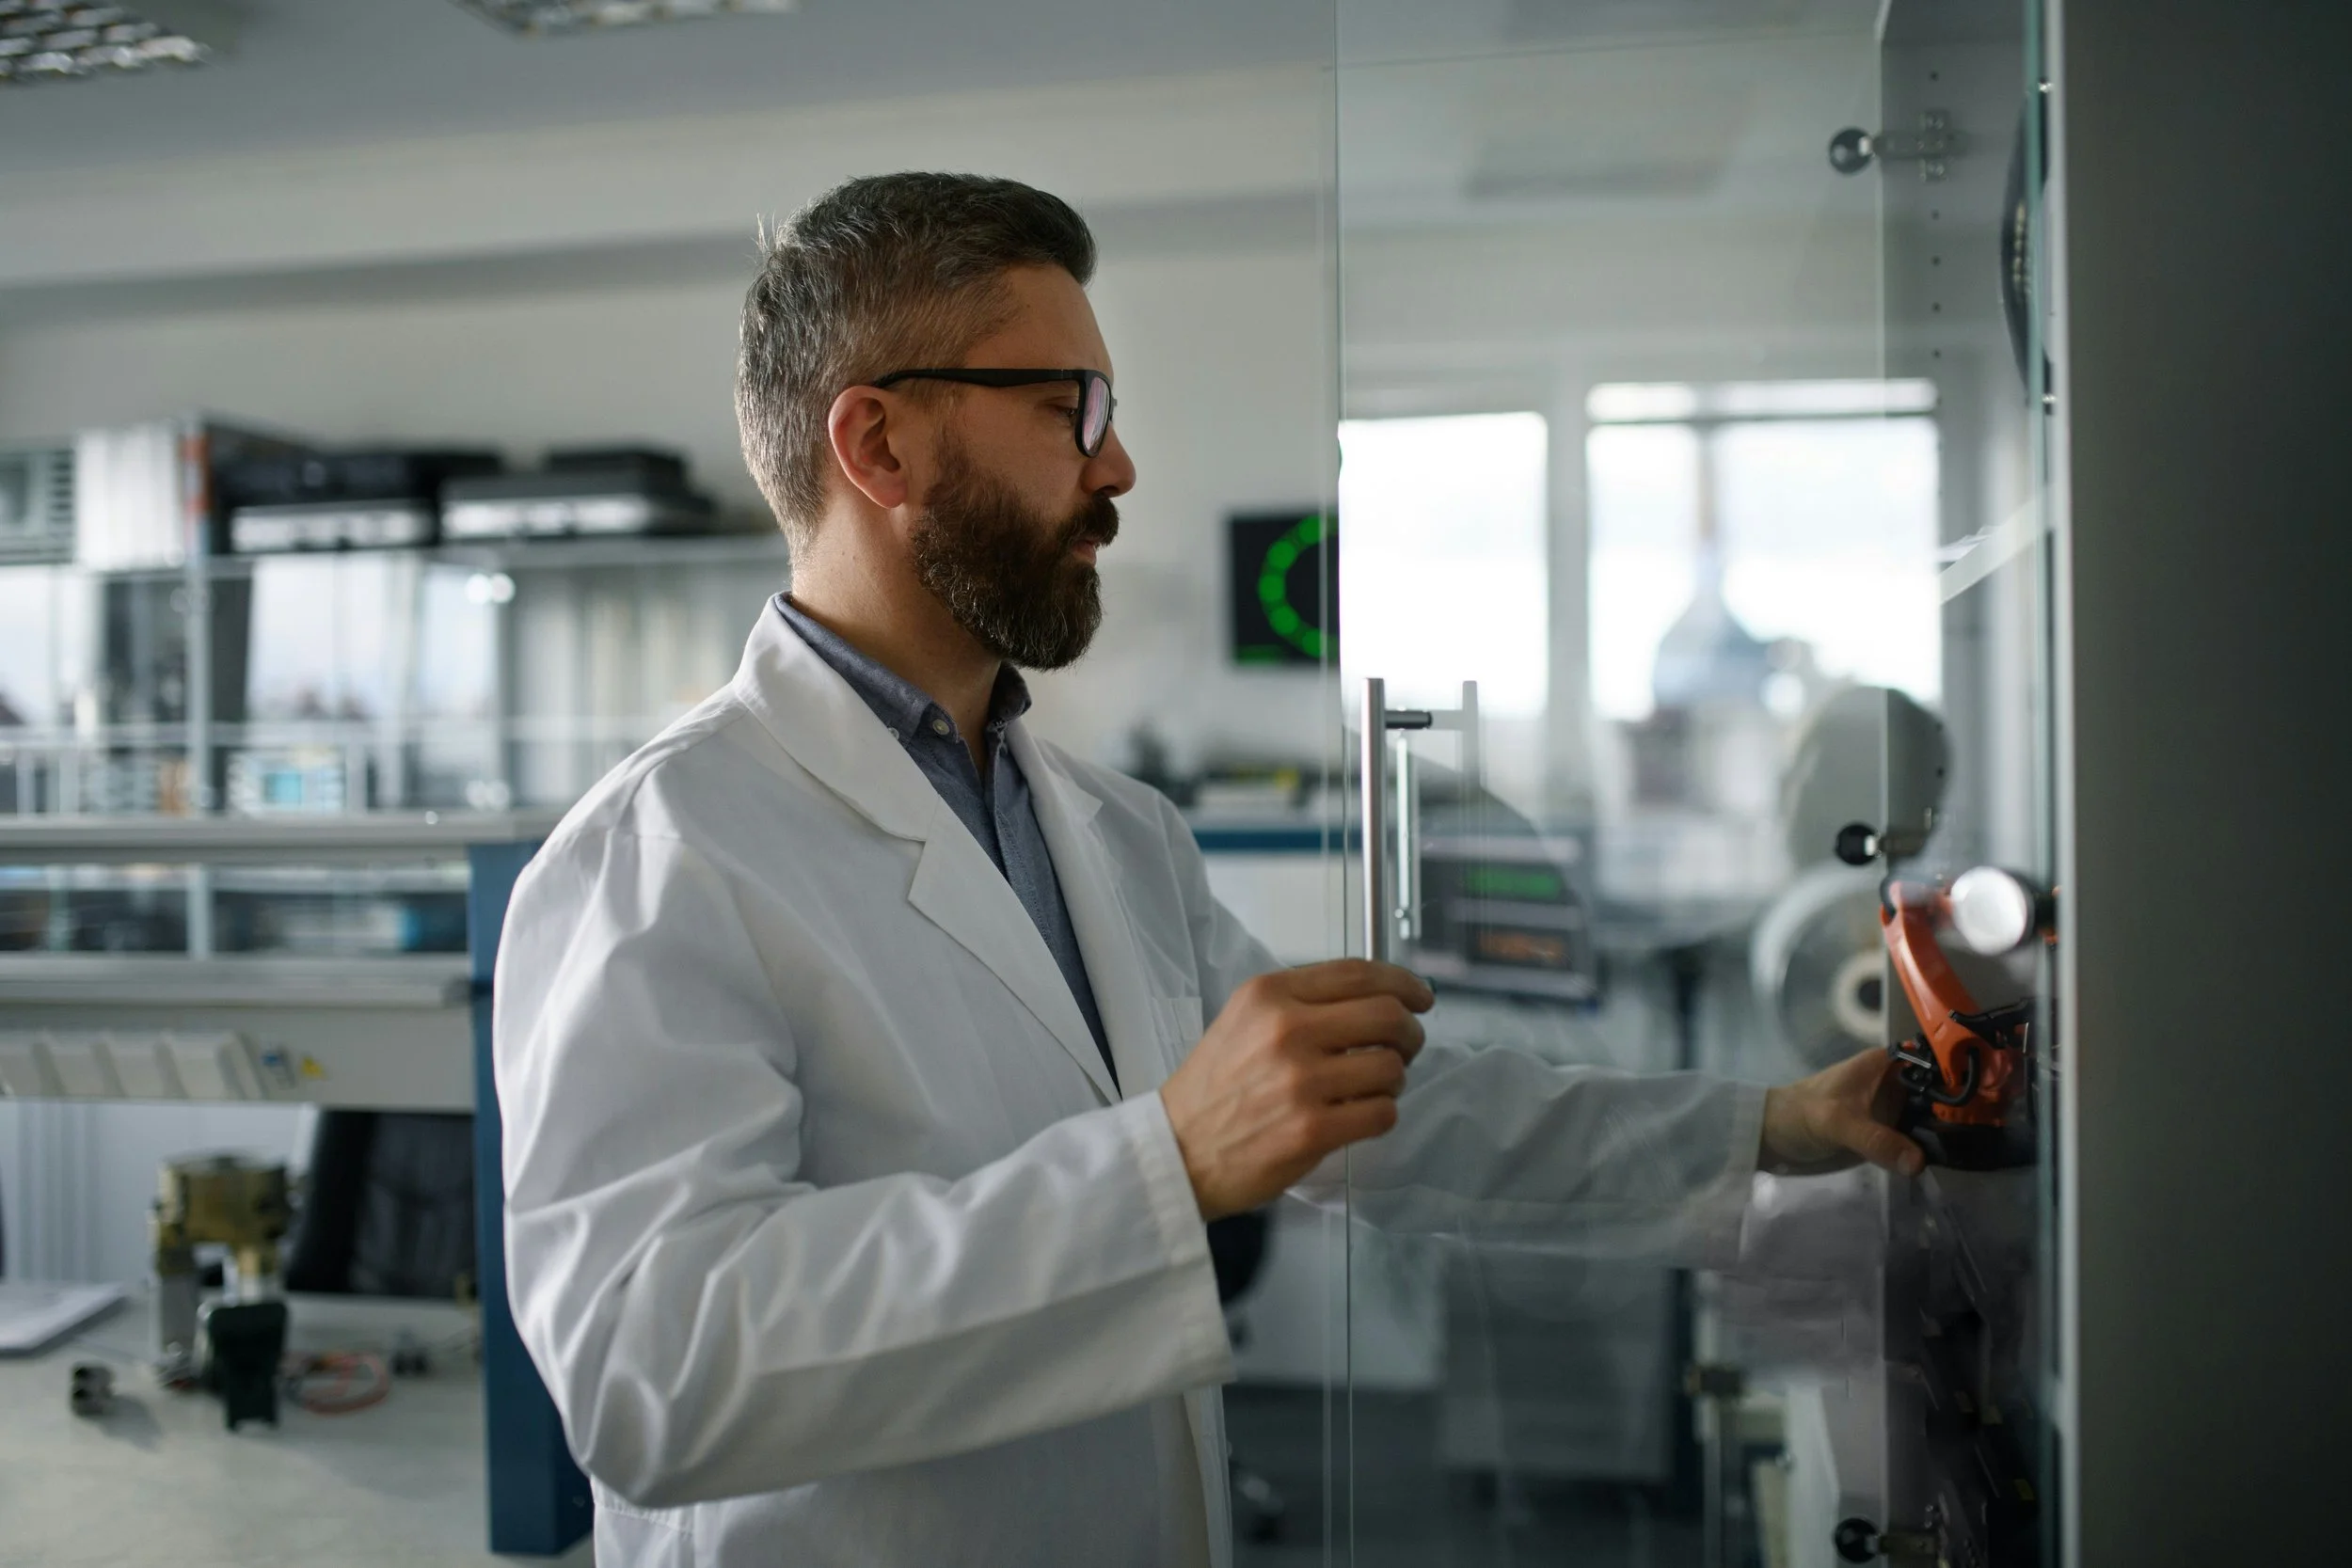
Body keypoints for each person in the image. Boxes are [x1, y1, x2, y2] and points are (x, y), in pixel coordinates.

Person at [493, 171, 1921, 1568]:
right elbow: (650, 1367)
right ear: (878, 447)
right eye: (1070, 410)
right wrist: (1164, 1163)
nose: (1116, 466)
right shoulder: (661, 852)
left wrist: (1774, 1123)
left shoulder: (1112, 829)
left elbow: (1364, 1111)